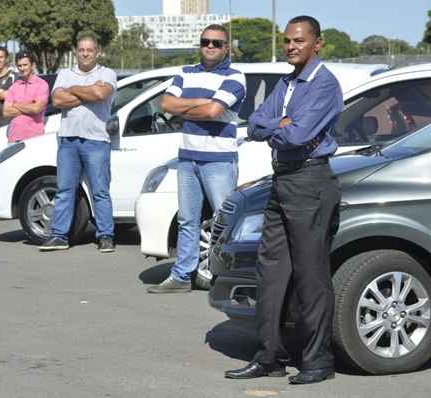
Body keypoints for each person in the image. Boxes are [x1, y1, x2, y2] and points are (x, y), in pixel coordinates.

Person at [224, 16, 342, 385]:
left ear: (317, 44)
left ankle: (317, 360)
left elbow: (299, 136)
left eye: (299, 41)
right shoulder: (287, 83)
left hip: (310, 180)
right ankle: (270, 356)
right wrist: (283, 124)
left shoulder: (324, 85)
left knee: (311, 277)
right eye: (288, 41)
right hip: (282, 181)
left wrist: (283, 128)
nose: (292, 46)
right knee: (271, 274)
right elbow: (255, 123)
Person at [147, 24, 246, 294]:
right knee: (187, 221)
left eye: (217, 43)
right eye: (206, 42)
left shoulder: (236, 76)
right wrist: (202, 104)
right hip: (188, 158)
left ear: (227, 48)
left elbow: (214, 112)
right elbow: (166, 105)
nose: (210, 47)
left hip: (219, 160)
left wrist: (187, 106)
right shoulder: (184, 72)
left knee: (224, 222)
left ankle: (227, 279)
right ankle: (181, 276)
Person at [39, 34, 117, 253]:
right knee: (64, 190)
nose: (85, 53)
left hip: (96, 141)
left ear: (97, 51)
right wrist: (88, 92)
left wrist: (72, 89)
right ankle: (59, 236)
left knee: (100, 191)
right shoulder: (64, 74)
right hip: (68, 141)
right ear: (76, 51)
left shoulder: (107, 73)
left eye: (89, 50)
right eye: (81, 50)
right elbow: (58, 100)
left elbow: (101, 94)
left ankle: (105, 236)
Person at [3, 51, 49, 142]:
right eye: (19, 66)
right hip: (13, 137)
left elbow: (36, 109)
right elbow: (6, 112)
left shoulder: (42, 84)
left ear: (33, 65)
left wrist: (15, 104)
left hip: (34, 138)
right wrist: (29, 106)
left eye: (25, 65)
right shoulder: (14, 86)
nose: (22, 68)